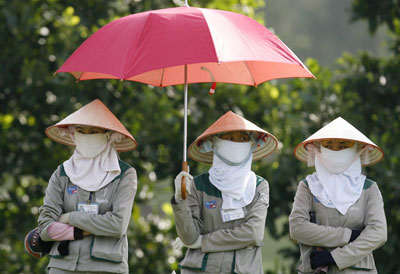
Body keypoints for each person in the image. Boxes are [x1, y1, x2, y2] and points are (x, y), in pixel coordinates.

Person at [25, 99, 138, 274]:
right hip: (62, 267)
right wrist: (84, 231)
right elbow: (45, 228)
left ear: (108, 135)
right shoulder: (62, 173)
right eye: (81, 131)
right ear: (73, 134)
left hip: (107, 267)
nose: (87, 136)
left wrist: (70, 217)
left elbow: (117, 225)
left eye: (94, 132)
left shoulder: (124, 175)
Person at [171, 111, 278, 274]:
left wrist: (204, 242)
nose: (236, 143)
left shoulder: (258, 186)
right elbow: (190, 238)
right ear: (215, 143)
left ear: (252, 144)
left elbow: (253, 233)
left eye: (243, 138)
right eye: (229, 138)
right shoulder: (199, 185)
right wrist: (180, 200)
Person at [289, 117, 387, 273]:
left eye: (342, 146)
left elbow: (378, 233)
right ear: (318, 149)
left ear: (357, 149)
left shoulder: (369, 188)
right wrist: (347, 235)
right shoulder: (308, 186)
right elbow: (297, 228)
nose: (335, 151)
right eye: (328, 145)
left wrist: (335, 257)